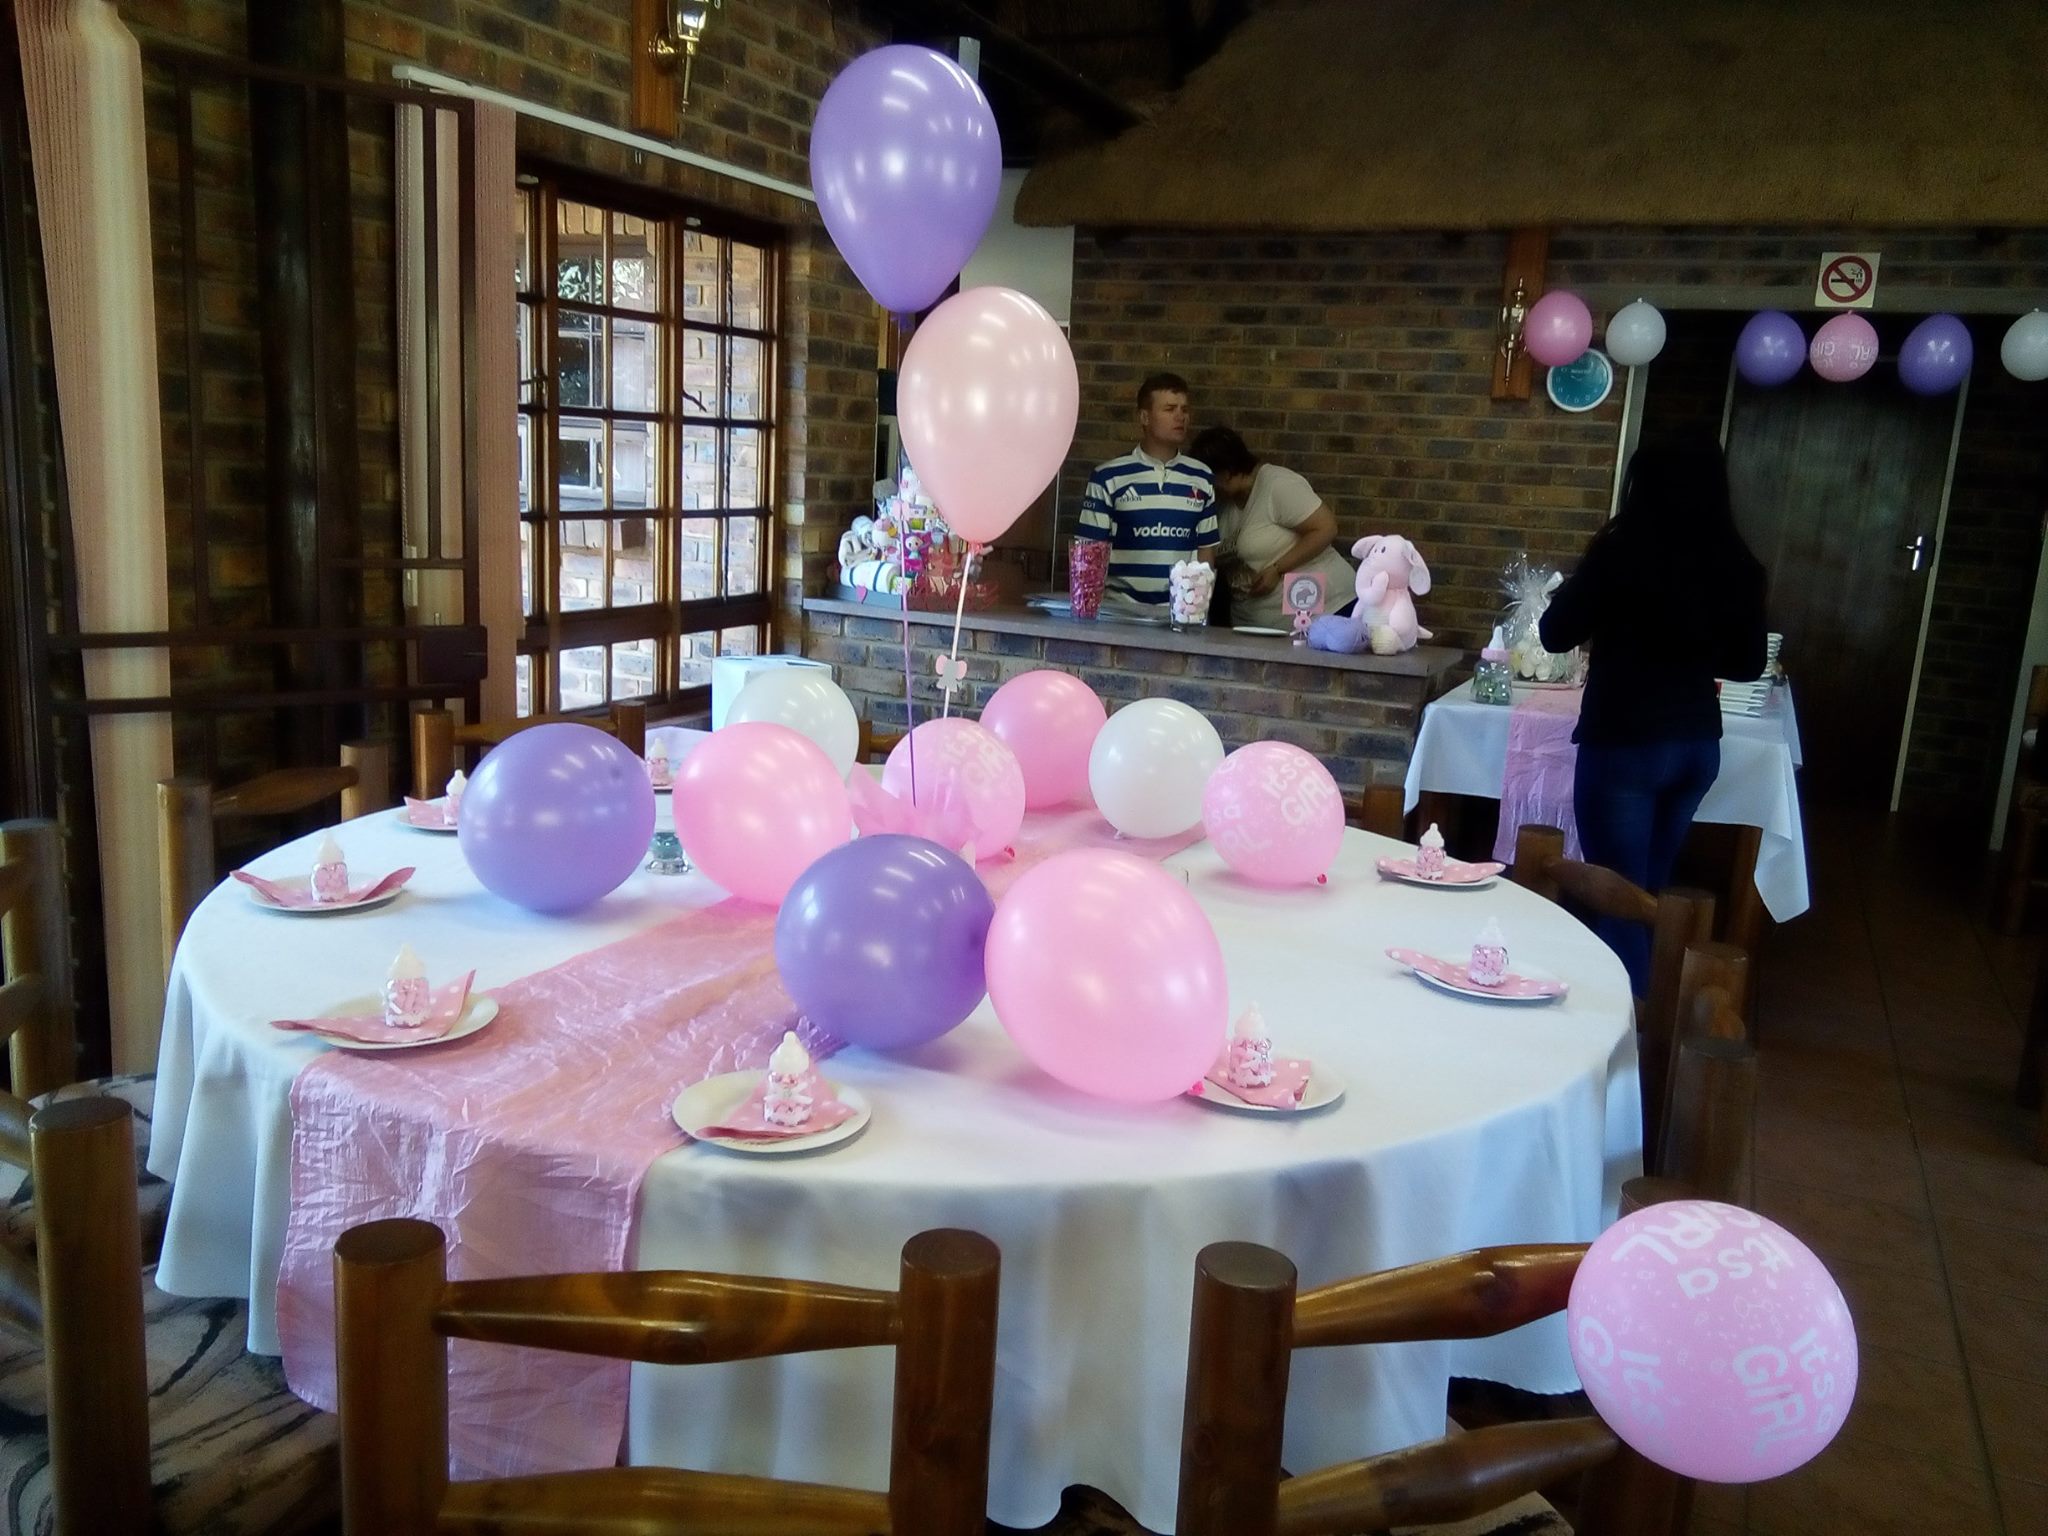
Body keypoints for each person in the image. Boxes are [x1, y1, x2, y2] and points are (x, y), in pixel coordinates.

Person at [1539, 438, 1768, 993]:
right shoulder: (1736, 563)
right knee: (1648, 895)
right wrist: (1693, 645)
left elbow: (1554, 633)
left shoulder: (1621, 552)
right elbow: (1748, 663)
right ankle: (1652, 1009)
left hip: (1626, 741)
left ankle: (1635, 1023)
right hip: (1695, 743)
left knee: (1619, 895)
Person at [1190, 426, 1353, 630]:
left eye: (1208, 480)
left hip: (1325, 615)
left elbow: (1326, 528)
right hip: (1257, 626)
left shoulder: (1277, 484)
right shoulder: (1222, 506)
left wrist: (1277, 568)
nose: (1206, 488)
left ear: (1226, 473)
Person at [1076, 373, 1217, 607]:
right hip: (1119, 611)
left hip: (1179, 613)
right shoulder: (1108, 477)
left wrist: (1197, 608)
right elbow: (1089, 554)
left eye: (1184, 409)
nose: (1180, 416)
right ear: (1144, 417)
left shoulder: (1202, 477)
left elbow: (1206, 551)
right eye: (1169, 409)